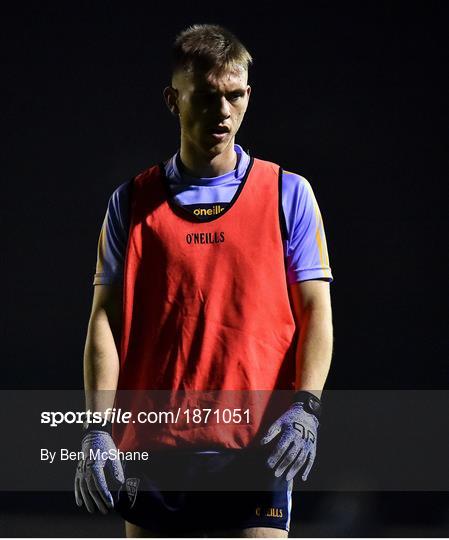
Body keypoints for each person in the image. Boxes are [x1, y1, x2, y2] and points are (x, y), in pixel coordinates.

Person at [74, 23, 333, 538]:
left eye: (235, 96)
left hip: (254, 448)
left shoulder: (288, 194)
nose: (223, 112)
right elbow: (104, 320)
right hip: (152, 447)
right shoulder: (131, 203)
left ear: (248, 95)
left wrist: (306, 408)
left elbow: (315, 310)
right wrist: (97, 428)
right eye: (207, 97)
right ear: (173, 98)